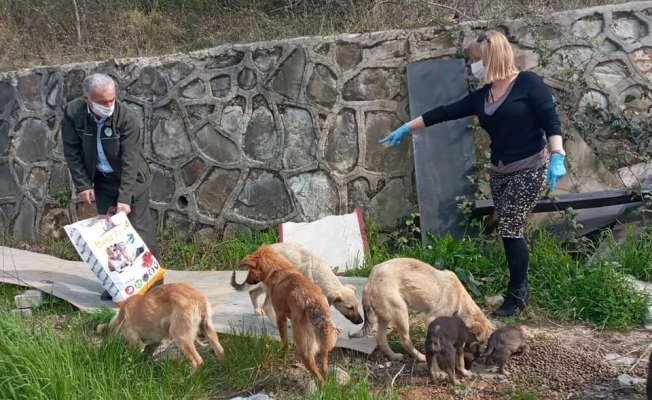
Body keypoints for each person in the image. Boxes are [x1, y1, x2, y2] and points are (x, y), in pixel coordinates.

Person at [378, 30, 567, 317]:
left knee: (510, 227)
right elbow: (445, 112)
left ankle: (517, 293)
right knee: (508, 229)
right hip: (500, 171)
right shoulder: (483, 95)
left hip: (530, 166)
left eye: (476, 58)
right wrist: (406, 127)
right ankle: (518, 288)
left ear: (492, 57)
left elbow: (550, 120)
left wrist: (557, 155)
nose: (473, 64)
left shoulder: (528, 83)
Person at [61, 72, 164, 301]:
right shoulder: (73, 113)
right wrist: (83, 184)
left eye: (112, 100)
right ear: (87, 99)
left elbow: (130, 160)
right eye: (103, 102)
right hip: (103, 180)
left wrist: (125, 198)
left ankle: (154, 285)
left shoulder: (125, 117)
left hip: (132, 180)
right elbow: (72, 151)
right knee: (111, 236)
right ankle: (120, 284)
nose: (109, 106)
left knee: (138, 230)